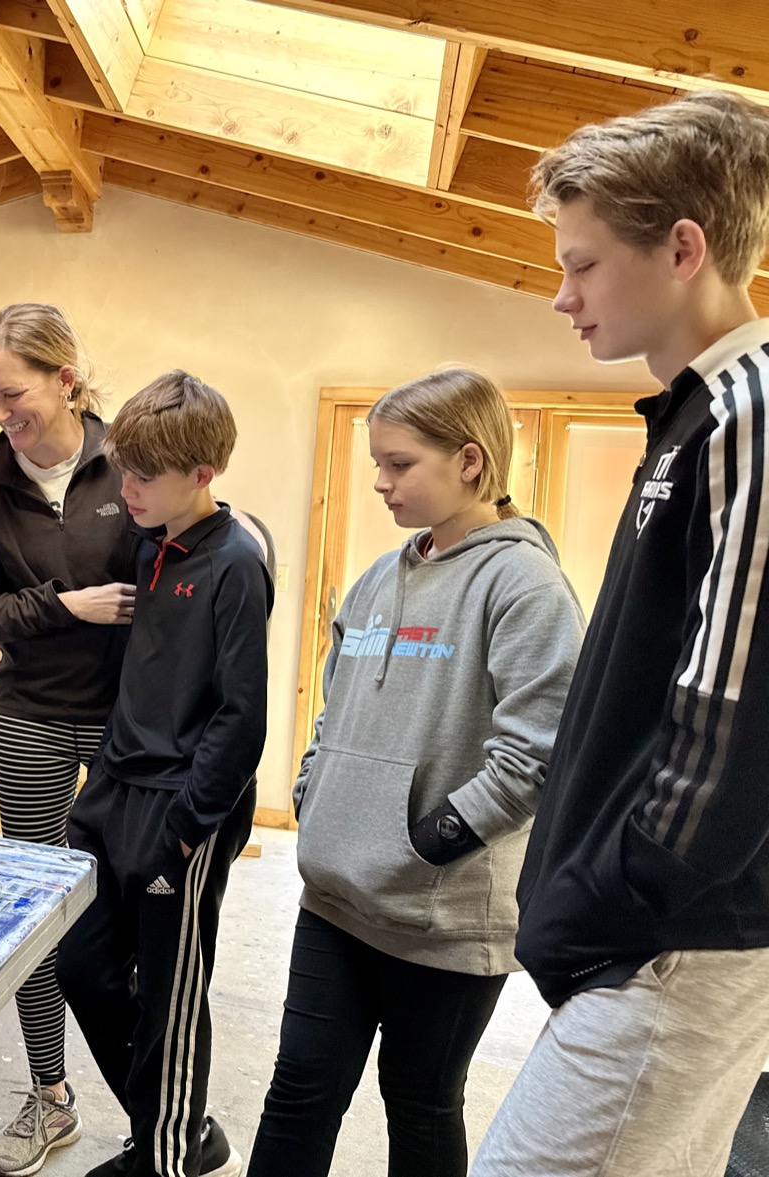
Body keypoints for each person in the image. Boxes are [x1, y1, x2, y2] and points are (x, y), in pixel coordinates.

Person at [471, 90, 769, 1176]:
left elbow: (727, 706)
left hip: (673, 941)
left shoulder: (749, 411)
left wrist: (622, 896)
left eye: (583, 264)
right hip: (653, 939)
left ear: (682, 247)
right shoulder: (692, 414)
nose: (562, 296)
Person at [246, 369, 584, 1177]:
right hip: (334, 899)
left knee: (420, 1102)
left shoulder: (525, 586)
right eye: (376, 461)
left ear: (470, 461)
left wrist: (427, 841)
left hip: (444, 920)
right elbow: (334, 707)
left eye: (400, 463)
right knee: (299, 1089)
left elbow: (539, 749)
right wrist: (313, 791)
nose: (379, 480)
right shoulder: (376, 579)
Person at [55, 370, 272, 1177]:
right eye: (124, 469)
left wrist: (190, 824)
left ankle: (168, 1155)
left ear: (203, 474)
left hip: (183, 808)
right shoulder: (149, 547)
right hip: (113, 793)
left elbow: (241, 713)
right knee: (79, 963)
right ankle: (175, 1127)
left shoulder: (236, 565)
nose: (128, 488)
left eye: (146, 476)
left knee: (171, 998)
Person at [0, 303, 139, 1176]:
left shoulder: (131, 458)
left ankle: (155, 1104)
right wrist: (66, 605)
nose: (1, 415)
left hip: (123, 722)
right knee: (36, 915)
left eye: (13, 394)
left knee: (133, 913)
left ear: (67, 379)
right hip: (27, 718)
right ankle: (49, 1096)